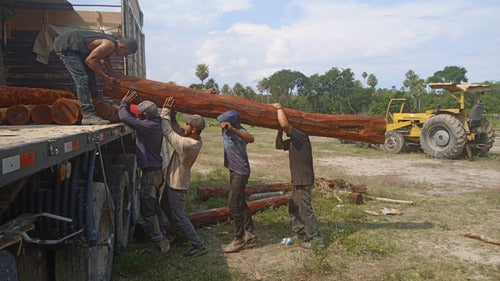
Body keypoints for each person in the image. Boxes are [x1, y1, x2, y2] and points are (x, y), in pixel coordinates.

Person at [118, 90, 170, 254]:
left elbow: (124, 117)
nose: (137, 116)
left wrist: (123, 104)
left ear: (145, 116)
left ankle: (159, 243)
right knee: (155, 207)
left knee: (148, 210)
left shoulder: (148, 126)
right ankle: (162, 236)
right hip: (156, 172)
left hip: (150, 174)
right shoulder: (155, 122)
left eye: (139, 114)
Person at [54, 29, 138, 125]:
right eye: (126, 54)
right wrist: (106, 78)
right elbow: (90, 61)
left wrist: (113, 74)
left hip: (78, 49)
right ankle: (88, 114)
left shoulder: (112, 45)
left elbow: (105, 61)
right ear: (122, 47)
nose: (125, 56)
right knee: (82, 78)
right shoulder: (109, 45)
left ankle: (97, 101)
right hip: (66, 46)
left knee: (91, 76)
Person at [271, 103, 325, 250]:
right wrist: (279, 131)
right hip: (298, 180)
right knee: (294, 206)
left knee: (305, 209)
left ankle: (316, 239)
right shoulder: (294, 141)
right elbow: (279, 145)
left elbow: (285, 124)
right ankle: (301, 232)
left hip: (303, 179)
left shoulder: (301, 136)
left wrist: (278, 108)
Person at [160, 96, 208, 258]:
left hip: (177, 184)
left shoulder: (188, 145)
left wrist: (165, 112)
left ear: (193, 129)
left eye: (188, 124)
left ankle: (198, 244)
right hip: (173, 180)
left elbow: (167, 131)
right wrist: (173, 114)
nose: (185, 125)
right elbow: (176, 128)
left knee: (180, 216)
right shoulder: (192, 138)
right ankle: (180, 235)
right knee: (165, 207)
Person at [217, 110, 258, 253]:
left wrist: (233, 129)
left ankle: (239, 239)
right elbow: (216, 110)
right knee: (240, 201)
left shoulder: (240, 131)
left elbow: (251, 139)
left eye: (223, 122)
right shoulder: (224, 130)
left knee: (233, 204)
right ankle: (250, 231)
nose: (220, 124)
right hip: (233, 170)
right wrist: (213, 95)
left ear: (231, 122)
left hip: (241, 172)